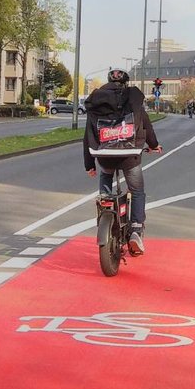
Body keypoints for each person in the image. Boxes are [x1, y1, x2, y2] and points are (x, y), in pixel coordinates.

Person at [83, 68, 161, 256]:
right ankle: (135, 230)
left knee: (106, 175)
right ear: (125, 83)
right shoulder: (132, 100)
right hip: (129, 155)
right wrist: (154, 145)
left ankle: (105, 208)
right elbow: (146, 125)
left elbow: (88, 135)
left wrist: (89, 164)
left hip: (105, 156)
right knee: (137, 191)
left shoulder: (97, 102)